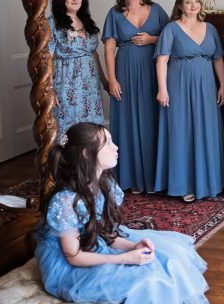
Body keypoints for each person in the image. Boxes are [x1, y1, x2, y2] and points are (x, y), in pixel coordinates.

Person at [35, 122, 208, 303]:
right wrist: (124, 258)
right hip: (69, 266)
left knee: (171, 257)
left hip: (94, 241)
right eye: (108, 143)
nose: (116, 147)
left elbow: (107, 234)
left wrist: (133, 247)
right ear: (86, 153)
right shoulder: (65, 201)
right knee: (148, 282)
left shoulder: (106, 184)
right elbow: (74, 257)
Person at [155, 0, 224, 203]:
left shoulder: (210, 28)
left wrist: (223, 85)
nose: (194, 5)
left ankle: (209, 182)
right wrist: (162, 89)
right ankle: (184, 184)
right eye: (188, 2)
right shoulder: (171, 29)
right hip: (178, 85)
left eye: (196, 1)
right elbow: (162, 60)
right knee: (182, 130)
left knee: (206, 129)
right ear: (180, 5)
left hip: (206, 85)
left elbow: (217, 59)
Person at [103, 0, 169, 194]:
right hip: (126, 71)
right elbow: (109, 48)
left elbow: (173, 36)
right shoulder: (114, 14)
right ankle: (131, 178)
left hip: (152, 70)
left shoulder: (156, 10)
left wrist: (152, 39)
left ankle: (155, 179)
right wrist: (112, 79)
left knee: (153, 120)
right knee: (128, 121)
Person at [49, 0, 108, 136]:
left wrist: (104, 82)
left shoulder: (86, 21)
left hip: (90, 84)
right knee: (68, 126)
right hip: (67, 83)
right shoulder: (52, 23)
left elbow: (93, 53)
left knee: (91, 126)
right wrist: (49, 89)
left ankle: (90, 153)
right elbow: (47, 58)